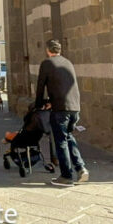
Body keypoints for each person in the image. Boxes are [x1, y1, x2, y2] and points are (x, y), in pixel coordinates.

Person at [35, 39, 88, 186]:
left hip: (60, 109)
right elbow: (65, 86)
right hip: (74, 107)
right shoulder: (68, 62)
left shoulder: (47, 63)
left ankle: (66, 176)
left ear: (47, 50)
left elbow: (41, 86)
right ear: (59, 50)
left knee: (60, 142)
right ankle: (81, 168)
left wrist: (39, 104)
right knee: (68, 137)